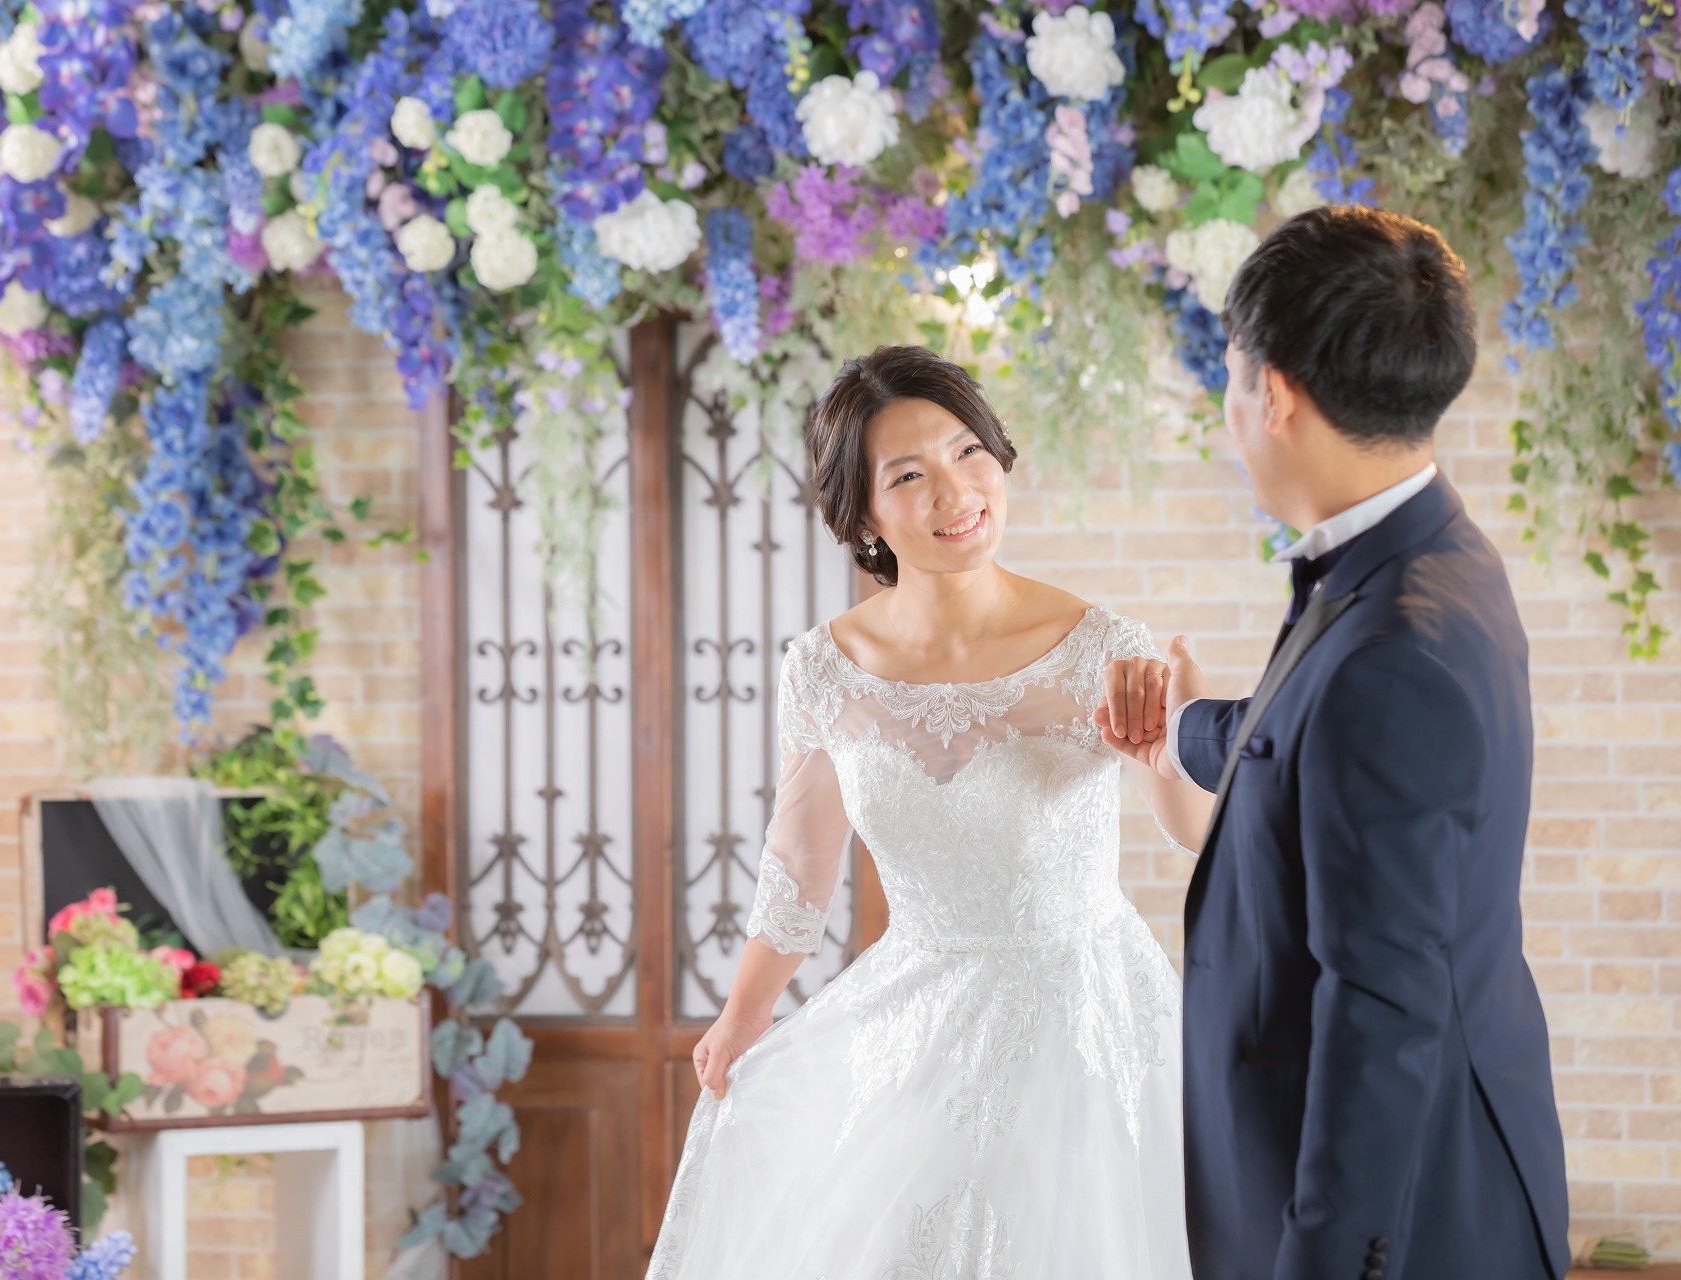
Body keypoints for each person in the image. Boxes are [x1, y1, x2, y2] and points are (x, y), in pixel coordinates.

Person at [646, 344, 1214, 1279]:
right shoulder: (821, 669)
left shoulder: (1101, 645)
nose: (956, 492)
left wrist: (1172, 750)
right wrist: (743, 1014)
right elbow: (800, 867)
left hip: (1087, 1018)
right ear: (863, 513)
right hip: (918, 1018)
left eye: (968, 452)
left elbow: (1192, 831)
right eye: (909, 475)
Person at [1103, 206, 1569, 1280]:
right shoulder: (1419, 552)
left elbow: (1383, 1015)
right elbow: (1313, 741)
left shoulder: (1396, 648)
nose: (1229, 413)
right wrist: (1184, 729)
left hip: (1396, 1224)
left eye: (1229, 383)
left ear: (1273, 394)